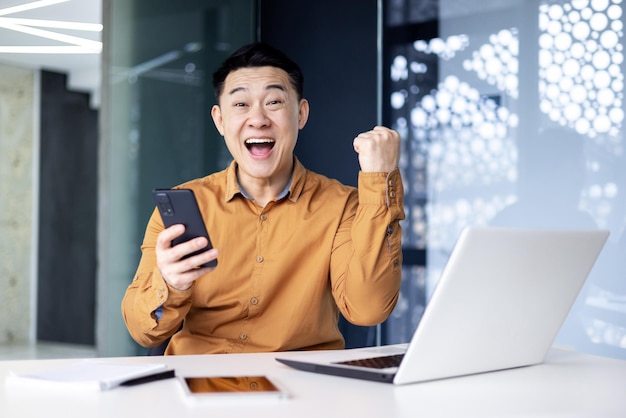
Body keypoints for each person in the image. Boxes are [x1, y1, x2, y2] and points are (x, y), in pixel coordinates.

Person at [121, 42, 405, 355]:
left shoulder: (342, 206)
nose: (258, 119)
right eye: (241, 105)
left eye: (273, 102)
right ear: (219, 120)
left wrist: (380, 181)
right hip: (201, 387)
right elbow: (142, 331)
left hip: (302, 388)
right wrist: (171, 284)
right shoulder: (182, 206)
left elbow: (368, 309)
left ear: (301, 114)